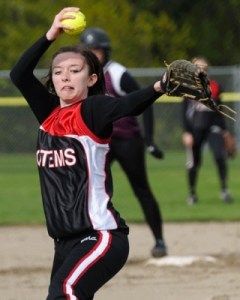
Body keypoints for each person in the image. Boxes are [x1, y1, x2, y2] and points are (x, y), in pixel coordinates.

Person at [10, 7, 168, 300]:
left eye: (75, 70)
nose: (65, 77)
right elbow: (19, 74)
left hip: (100, 236)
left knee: (65, 292)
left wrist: (160, 86)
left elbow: (128, 105)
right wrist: (51, 34)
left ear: (92, 79)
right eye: (58, 72)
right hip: (65, 242)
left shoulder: (92, 111)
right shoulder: (48, 115)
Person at [80, 27, 167, 258]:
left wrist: (149, 140)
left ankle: (159, 240)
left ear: (105, 51)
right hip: (101, 143)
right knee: (88, 188)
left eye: (96, 50)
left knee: (141, 189)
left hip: (127, 139)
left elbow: (145, 100)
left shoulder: (116, 73)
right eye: (88, 50)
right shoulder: (83, 75)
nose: (92, 53)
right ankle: (89, 239)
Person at [182, 56, 234, 205]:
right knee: (194, 163)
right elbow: (184, 111)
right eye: (198, 68)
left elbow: (220, 110)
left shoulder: (216, 86)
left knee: (219, 156)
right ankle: (192, 193)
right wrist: (186, 132)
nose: (201, 70)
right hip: (195, 129)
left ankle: (224, 190)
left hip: (213, 127)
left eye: (204, 68)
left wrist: (225, 131)